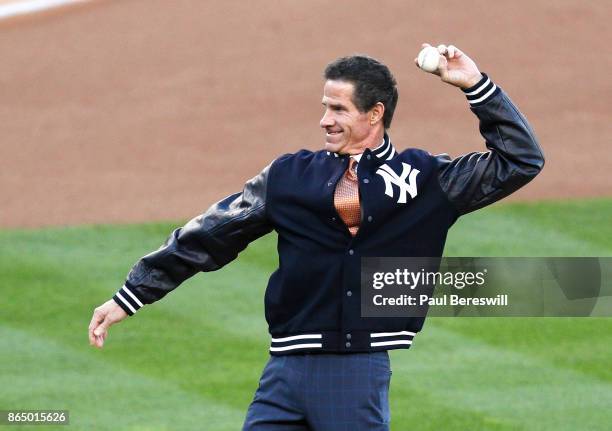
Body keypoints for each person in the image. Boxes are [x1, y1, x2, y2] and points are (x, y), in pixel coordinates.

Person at [88, 43, 544, 430]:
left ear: (375, 114)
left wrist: (475, 86)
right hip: (283, 370)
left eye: (339, 109)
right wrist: (132, 294)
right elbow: (212, 233)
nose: (325, 119)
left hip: (355, 370)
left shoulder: (427, 178)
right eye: (325, 106)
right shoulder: (289, 175)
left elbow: (520, 160)